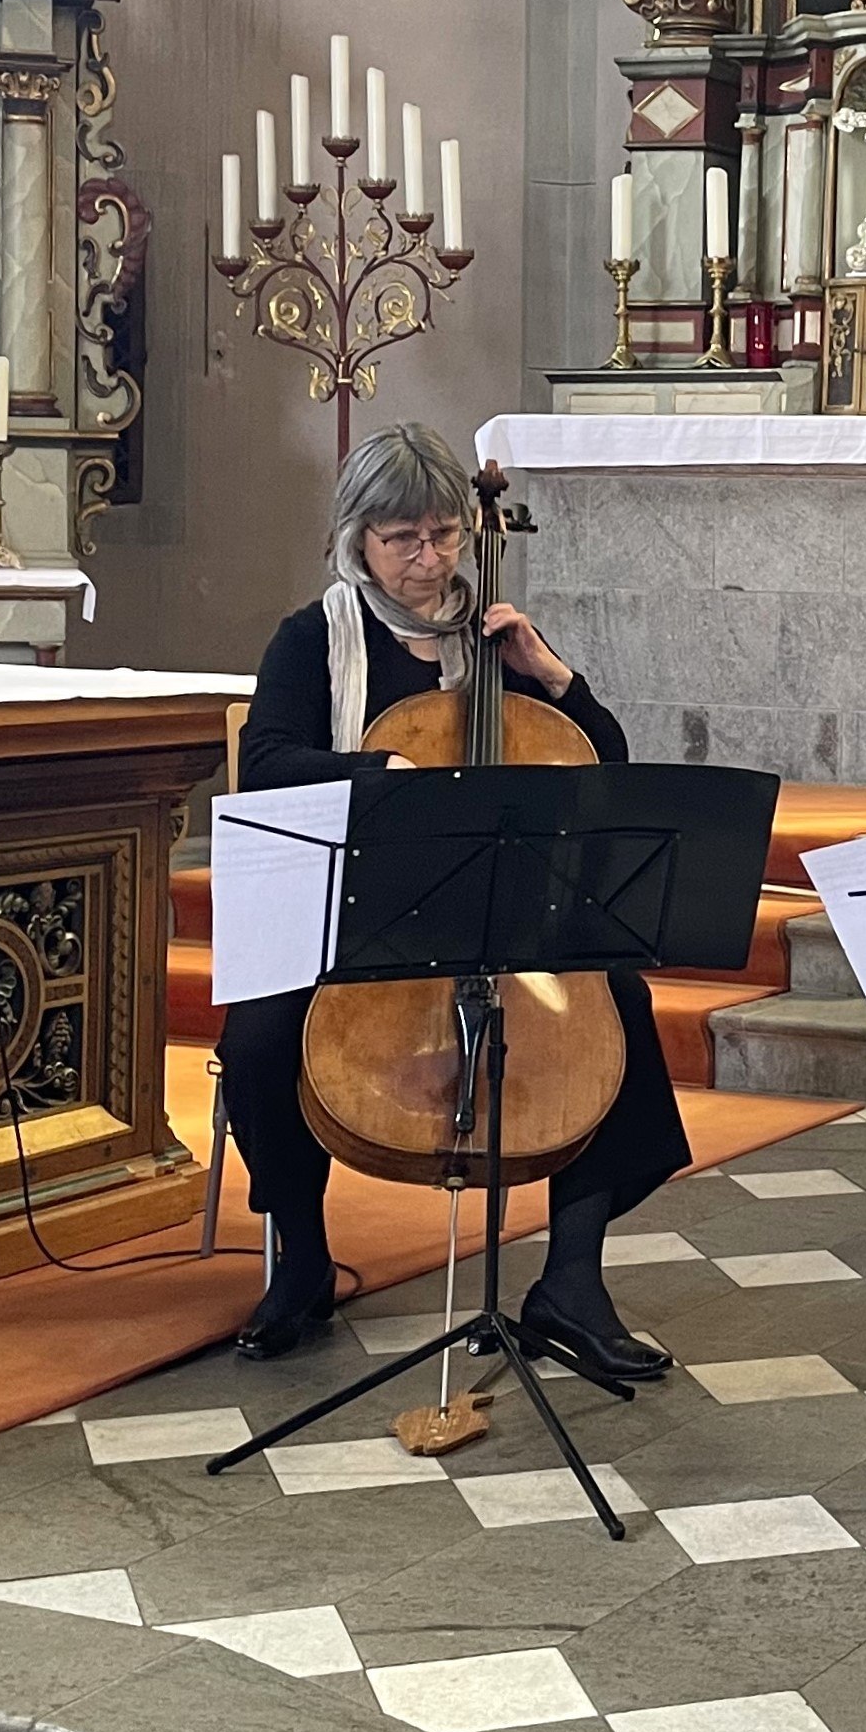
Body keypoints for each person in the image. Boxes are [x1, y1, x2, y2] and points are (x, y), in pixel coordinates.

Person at [223, 424, 685, 1382]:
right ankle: (302, 1262)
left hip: (500, 914)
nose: (430, 560)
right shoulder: (313, 639)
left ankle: (571, 1282)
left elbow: (601, 763)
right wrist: (377, 771)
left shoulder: (497, 636)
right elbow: (265, 762)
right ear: (358, 540)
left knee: (622, 1008)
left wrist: (551, 677)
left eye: (444, 536)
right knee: (264, 1038)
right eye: (404, 540)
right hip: (359, 910)